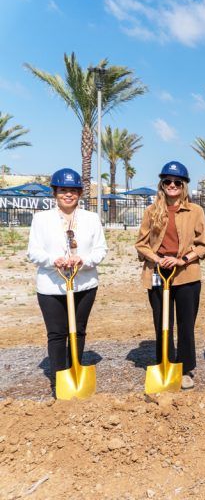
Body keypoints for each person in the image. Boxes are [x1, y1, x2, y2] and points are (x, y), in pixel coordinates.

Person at [27, 168, 108, 393]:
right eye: (63, 190)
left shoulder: (91, 219)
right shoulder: (41, 219)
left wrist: (84, 260)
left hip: (84, 284)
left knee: (78, 330)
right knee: (56, 334)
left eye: (73, 190)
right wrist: (53, 260)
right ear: (55, 192)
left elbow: (101, 249)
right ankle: (58, 380)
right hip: (51, 286)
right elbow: (33, 251)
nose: (68, 194)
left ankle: (75, 372)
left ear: (80, 193)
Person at [135, 161, 205, 390]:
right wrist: (158, 259)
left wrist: (181, 259)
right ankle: (165, 364)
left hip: (186, 274)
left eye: (178, 182)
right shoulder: (151, 211)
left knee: (186, 325)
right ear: (162, 184)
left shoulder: (195, 211)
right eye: (168, 181)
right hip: (158, 273)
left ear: (184, 185)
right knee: (162, 323)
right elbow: (141, 244)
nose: (172, 185)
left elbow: (203, 245)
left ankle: (184, 369)